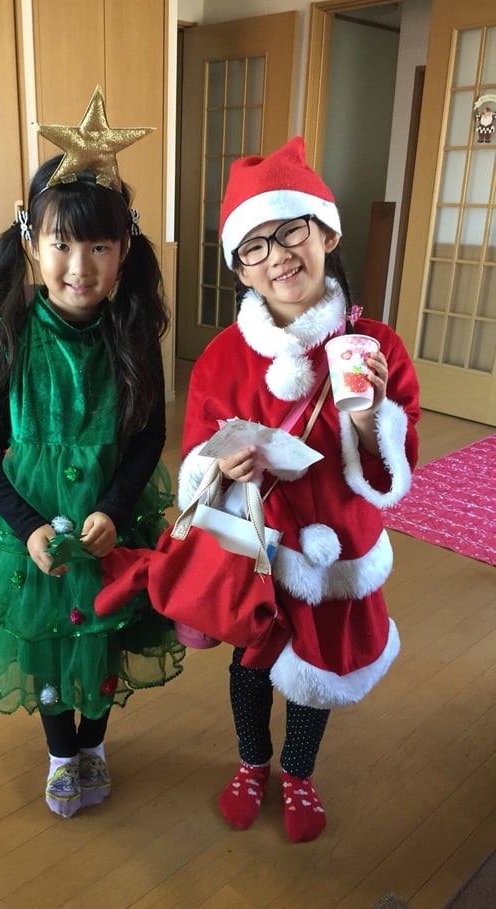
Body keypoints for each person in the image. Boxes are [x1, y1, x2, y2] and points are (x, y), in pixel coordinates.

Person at [178, 136, 420, 842]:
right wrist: (224, 467)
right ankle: (252, 762)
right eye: (254, 246)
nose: (278, 256)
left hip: (338, 542)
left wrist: (373, 417)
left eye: (291, 231)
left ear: (327, 234)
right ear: (240, 268)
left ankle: (298, 772)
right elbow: (196, 456)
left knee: (319, 666)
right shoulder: (223, 356)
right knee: (251, 663)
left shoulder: (376, 346)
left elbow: (395, 470)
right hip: (258, 540)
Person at [0, 88, 184, 819]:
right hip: (36, 526)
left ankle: (94, 745)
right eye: (62, 243)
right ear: (32, 243)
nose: (79, 264)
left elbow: (149, 435)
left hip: (110, 518)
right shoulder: (9, 334)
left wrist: (115, 508)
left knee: (106, 635)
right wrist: (25, 525)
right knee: (49, 641)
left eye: (99, 246)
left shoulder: (134, 335)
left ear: (124, 249)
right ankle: (61, 752)